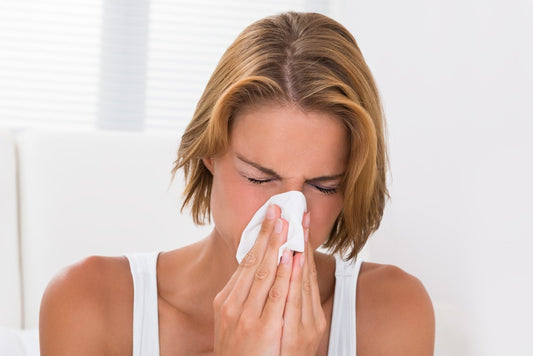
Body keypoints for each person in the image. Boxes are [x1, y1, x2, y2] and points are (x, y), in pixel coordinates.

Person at [39, 12, 434, 355]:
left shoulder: (391, 311)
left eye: (325, 186)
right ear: (209, 152)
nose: (287, 217)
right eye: (258, 177)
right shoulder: (89, 303)